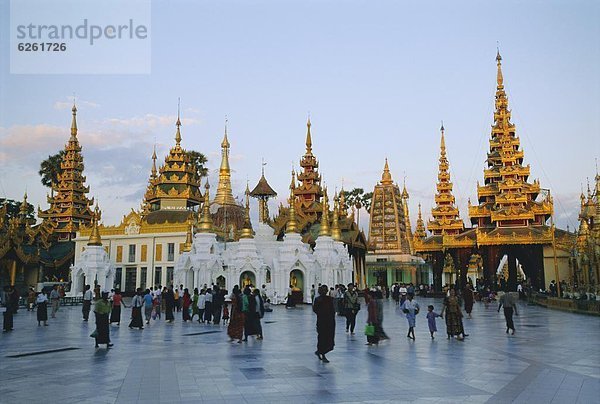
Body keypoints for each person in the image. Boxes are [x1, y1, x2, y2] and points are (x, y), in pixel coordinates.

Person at [313, 285, 335, 362]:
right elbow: (315, 309)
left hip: (330, 321)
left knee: (329, 338)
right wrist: (322, 314)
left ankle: (321, 351)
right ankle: (322, 353)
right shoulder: (318, 299)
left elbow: (332, 310)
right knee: (322, 338)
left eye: (325, 290)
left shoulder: (330, 299)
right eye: (322, 290)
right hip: (322, 321)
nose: (324, 291)